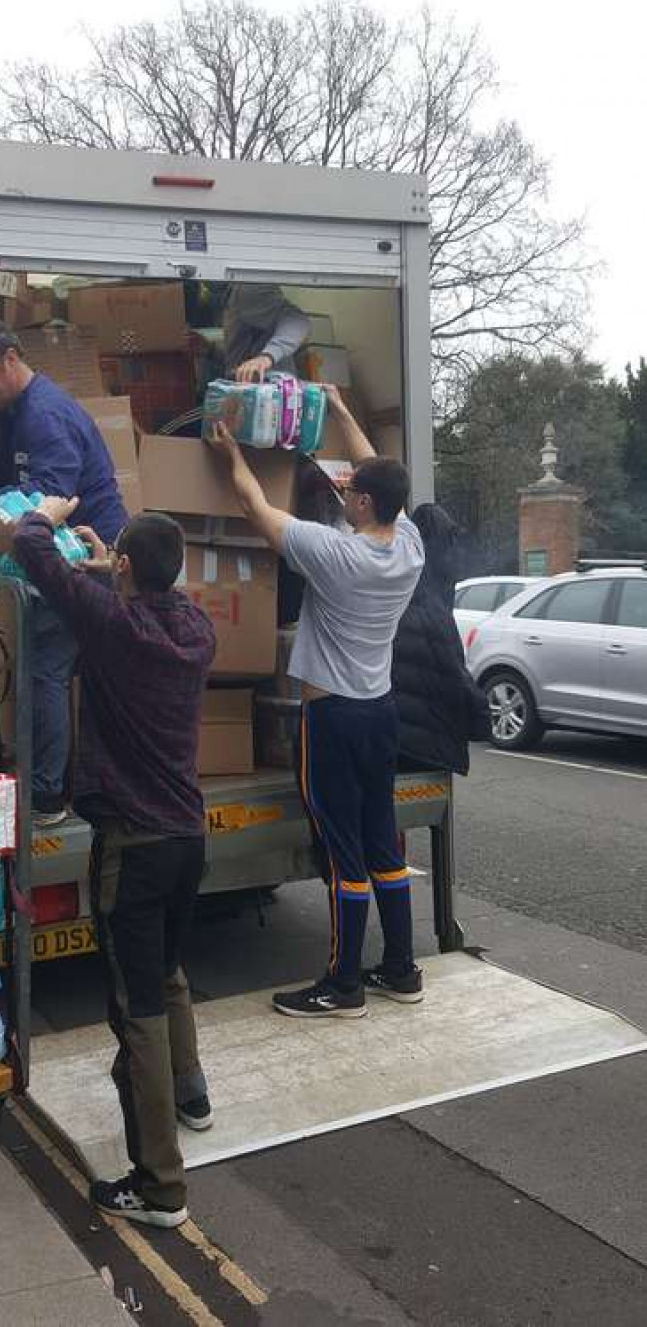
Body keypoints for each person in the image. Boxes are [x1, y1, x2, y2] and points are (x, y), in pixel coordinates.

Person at [0, 498, 215, 1229]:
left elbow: (30, 546)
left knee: (136, 1009)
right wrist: (106, 559)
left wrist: (48, 514)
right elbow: (126, 586)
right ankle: (192, 1093)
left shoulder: (111, 626)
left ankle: (159, 1186)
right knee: (171, 971)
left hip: (135, 850)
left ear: (124, 568)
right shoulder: (196, 628)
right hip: (187, 838)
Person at [206, 386, 425, 1017]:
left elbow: (254, 506)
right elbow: (376, 466)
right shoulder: (407, 546)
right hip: (381, 713)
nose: (346, 489)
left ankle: (344, 984)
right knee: (383, 842)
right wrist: (345, 412)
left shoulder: (334, 553)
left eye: (352, 488)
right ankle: (402, 970)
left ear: (361, 501)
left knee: (342, 852)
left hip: (332, 719)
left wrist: (230, 455)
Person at [0, 320, 129, 826]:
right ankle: (60, 782)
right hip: (54, 563)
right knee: (45, 670)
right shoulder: (13, 414)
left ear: (12, 359)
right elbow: (7, 480)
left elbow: (47, 498)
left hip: (84, 562)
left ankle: (46, 798)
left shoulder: (44, 414)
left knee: (45, 670)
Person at [392, 504, 491, 775]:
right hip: (419, 744)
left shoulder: (396, 590)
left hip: (392, 732)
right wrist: (483, 718)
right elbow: (453, 673)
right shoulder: (431, 609)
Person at [223, 285, 311, 383]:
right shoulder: (233, 290)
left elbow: (296, 319)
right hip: (246, 387)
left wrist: (266, 357)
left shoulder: (249, 288)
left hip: (268, 389)